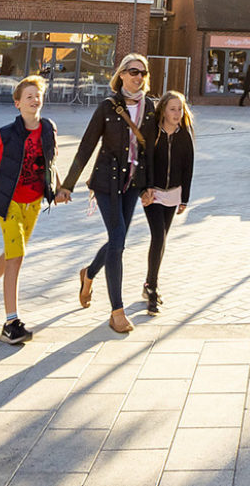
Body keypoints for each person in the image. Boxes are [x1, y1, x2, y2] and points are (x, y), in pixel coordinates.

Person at [60, 52, 153, 334]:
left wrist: (150, 186)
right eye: (133, 71)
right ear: (121, 74)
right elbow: (86, 146)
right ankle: (117, 311)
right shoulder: (107, 107)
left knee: (119, 240)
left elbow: (150, 150)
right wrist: (67, 184)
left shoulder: (151, 107)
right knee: (117, 239)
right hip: (106, 183)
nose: (138, 77)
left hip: (133, 184)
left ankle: (88, 274)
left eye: (143, 73)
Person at [0, 76, 68, 344]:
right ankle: (11, 322)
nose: (34, 100)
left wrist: (59, 189)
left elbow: (50, 163)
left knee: (12, 251)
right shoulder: (7, 134)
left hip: (34, 202)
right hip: (9, 203)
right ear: (17, 103)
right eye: (28, 96)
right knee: (17, 256)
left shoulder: (49, 128)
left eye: (37, 95)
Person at [140, 90, 195, 315]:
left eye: (180, 109)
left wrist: (185, 199)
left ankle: (149, 283)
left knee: (161, 239)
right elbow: (144, 162)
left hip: (173, 194)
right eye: (172, 109)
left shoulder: (184, 135)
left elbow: (187, 169)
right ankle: (152, 288)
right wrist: (145, 188)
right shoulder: (153, 132)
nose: (177, 113)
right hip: (153, 193)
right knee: (158, 236)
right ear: (162, 110)